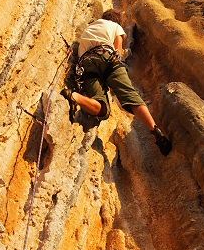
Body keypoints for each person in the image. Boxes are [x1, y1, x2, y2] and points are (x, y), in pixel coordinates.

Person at [66, 10, 172, 155]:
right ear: (116, 21)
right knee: (130, 96)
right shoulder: (115, 27)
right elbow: (118, 50)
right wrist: (115, 73)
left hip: (86, 66)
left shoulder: (89, 29)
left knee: (103, 110)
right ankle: (156, 131)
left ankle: (75, 97)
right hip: (106, 57)